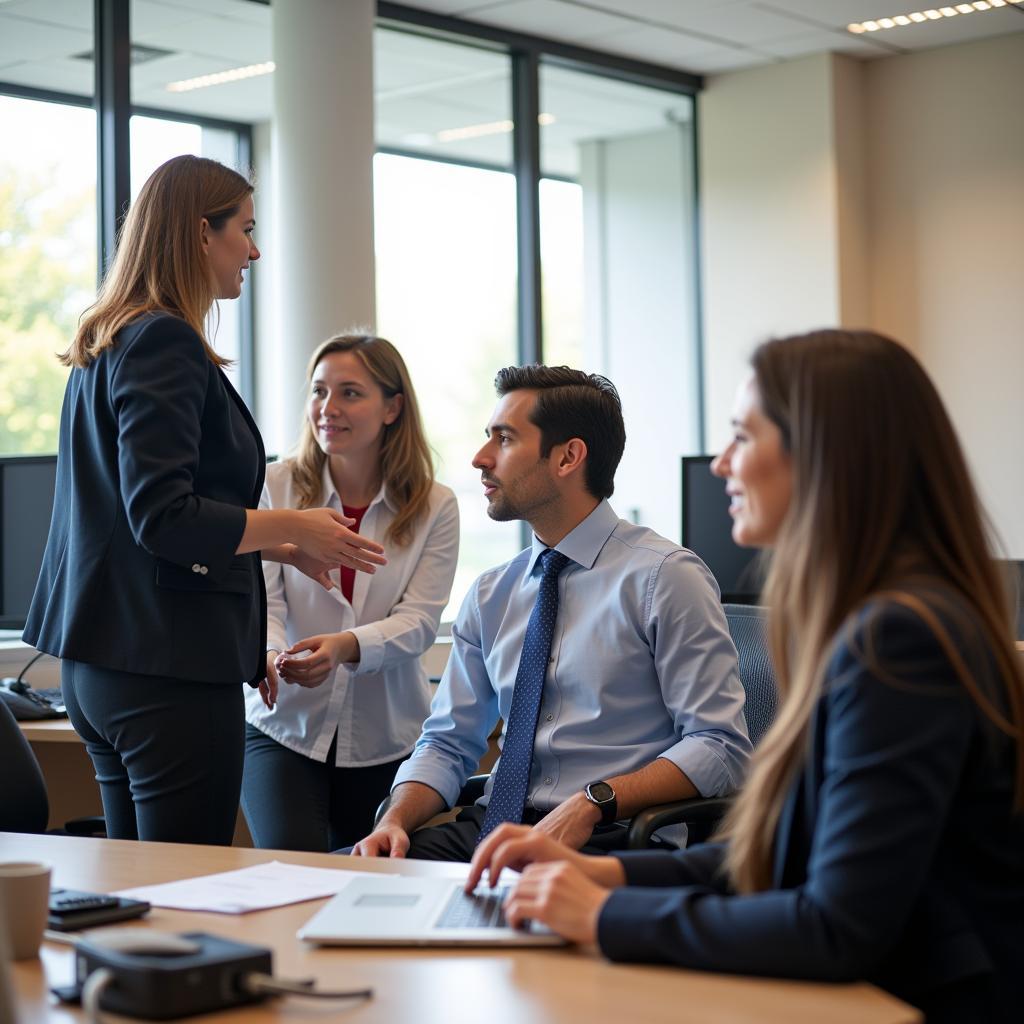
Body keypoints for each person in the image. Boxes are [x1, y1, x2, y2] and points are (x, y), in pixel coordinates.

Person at [467, 330, 1024, 1024]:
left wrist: (606, 916)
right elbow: (781, 851)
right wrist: (603, 873)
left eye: (742, 437)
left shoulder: (900, 639)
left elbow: (836, 926)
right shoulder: (864, 621)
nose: (722, 464)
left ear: (826, 457)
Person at [23, 155, 385, 846]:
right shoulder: (164, 340)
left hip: (103, 664)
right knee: (187, 887)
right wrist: (294, 525)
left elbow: (132, 518)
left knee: (135, 889)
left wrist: (276, 546)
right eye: (243, 229)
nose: (254, 249)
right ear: (199, 233)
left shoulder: (112, 337)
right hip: (167, 669)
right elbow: (163, 516)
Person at [352, 365, 751, 861]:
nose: (480, 459)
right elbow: (448, 743)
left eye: (504, 439)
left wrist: (593, 802)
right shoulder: (490, 594)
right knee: (349, 883)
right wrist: (394, 821)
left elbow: (720, 746)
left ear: (568, 457)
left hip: (614, 836)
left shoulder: (665, 577)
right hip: (495, 829)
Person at [241, 334, 459, 852]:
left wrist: (345, 647)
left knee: (371, 886)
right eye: (319, 391)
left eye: (350, 393)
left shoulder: (434, 505)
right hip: (281, 726)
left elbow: (420, 621)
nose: (328, 409)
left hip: (389, 738)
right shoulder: (275, 486)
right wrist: (270, 652)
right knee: (291, 872)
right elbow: (263, 597)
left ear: (393, 408)